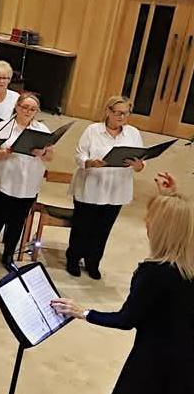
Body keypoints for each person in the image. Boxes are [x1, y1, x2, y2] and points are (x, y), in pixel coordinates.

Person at [51, 187, 194, 394]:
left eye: (151, 218)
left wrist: (83, 312)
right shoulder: (189, 268)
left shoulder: (154, 273)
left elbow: (126, 319)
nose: (145, 223)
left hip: (151, 366)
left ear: (161, 229)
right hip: (183, 367)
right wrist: (171, 196)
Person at [66, 96, 145, 279]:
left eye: (125, 113)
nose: (121, 117)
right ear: (108, 111)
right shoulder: (93, 130)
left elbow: (141, 161)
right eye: (117, 112)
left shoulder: (133, 133)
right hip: (91, 186)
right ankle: (73, 259)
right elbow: (79, 155)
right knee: (82, 227)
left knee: (102, 230)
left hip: (116, 189)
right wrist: (90, 162)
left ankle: (93, 262)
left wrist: (138, 165)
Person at [0, 93, 53, 270]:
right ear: (17, 107)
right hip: (3, 182)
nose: (28, 111)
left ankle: (8, 255)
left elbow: (50, 156)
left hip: (28, 185)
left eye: (32, 109)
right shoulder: (3, 127)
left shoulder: (42, 130)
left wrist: (42, 153)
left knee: (17, 222)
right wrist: (5, 152)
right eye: (24, 107)